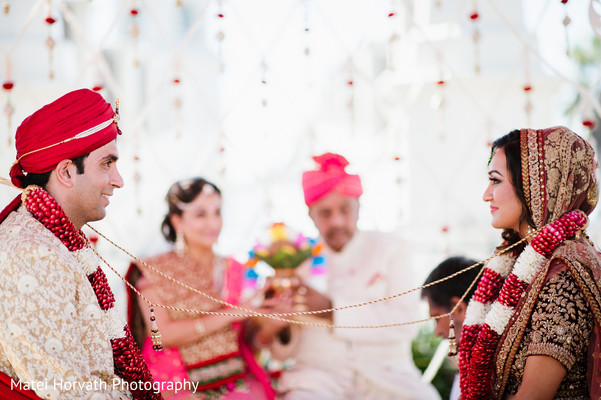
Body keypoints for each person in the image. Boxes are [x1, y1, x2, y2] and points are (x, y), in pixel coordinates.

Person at [0, 89, 161, 399]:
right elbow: (65, 388)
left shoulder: (54, 236)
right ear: (66, 172)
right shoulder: (31, 252)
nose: (118, 180)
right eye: (106, 164)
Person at [255, 152, 441, 400]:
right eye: (325, 213)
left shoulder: (392, 248)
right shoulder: (295, 260)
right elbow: (282, 353)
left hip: (387, 377)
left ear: (359, 207)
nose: (337, 221)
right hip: (317, 380)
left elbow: (405, 323)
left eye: (345, 209)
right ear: (310, 214)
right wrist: (279, 322)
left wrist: (332, 309)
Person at [459, 127, 601, 400]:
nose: (486, 195)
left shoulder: (565, 273)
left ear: (535, 187)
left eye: (495, 181)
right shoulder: (520, 259)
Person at [126, 178, 276, 400]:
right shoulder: (155, 271)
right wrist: (231, 314)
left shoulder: (234, 268)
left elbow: (242, 339)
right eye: (201, 214)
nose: (213, 223)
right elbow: (162, 335)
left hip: (230, 378)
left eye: (217, 212)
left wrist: (271, 321)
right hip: (172, 382)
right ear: (177, 221)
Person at [421, 256, 482, 400]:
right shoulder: (471, 365)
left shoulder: (491, 366)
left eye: (437, 318)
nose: (437, 332)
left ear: (458, 309)